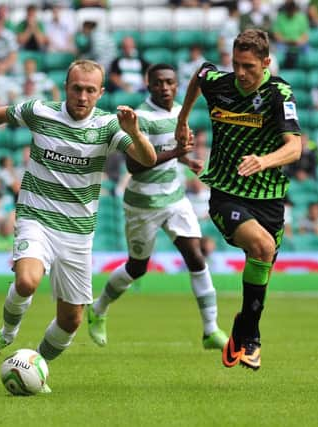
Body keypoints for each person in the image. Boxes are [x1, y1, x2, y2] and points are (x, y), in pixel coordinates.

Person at [0, 59, 156, 392]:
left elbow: (148, 159)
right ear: (65, 88)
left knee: (71, 320)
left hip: (77, 232)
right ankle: (6, 334)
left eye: (90, 90)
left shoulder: (108, 126)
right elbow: (1, 113)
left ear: (100, 92)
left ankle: (34, 365)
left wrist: (134, 133)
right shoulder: (41, 111)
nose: (82, 96)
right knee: (27, 281)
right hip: (36, 217)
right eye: (77, 88)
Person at [175, 29, 302, 371]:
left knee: (263, 265)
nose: (241, 73)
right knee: (261, 247)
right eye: (236, 64)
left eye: (248, 66)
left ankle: (244, 328)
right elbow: (200, 74)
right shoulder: (220, 82)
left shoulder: (279, 94)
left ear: (266, 63)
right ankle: (252, 341)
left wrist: (264, 160)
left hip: (269, 197)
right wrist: (182, 118)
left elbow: (295, 146)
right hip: (227, 193)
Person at [87, 64, 228, 351]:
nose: (165, 87)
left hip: (175, 199)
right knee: (137, 268)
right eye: (158, 83)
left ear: (177, 86)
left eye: (170, 82)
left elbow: (172, 152)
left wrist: (186, 161)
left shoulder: (179, 112)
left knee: (196, 257)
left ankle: (211, 330)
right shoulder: (142, 118)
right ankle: (98, 308)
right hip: (143, 205)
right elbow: (135, 165)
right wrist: (178, 153)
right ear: (148, 85)